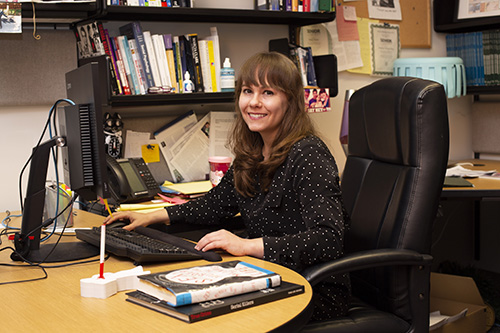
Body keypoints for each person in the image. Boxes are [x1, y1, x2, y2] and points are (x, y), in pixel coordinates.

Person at [104, 51, 350, 320]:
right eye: (247, 91)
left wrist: (247, 246)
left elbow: (328, 239)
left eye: (268, 92)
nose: (254, 102)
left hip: (312, 288)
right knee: (166, 303)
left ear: (290, 101)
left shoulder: (308, 153)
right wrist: (152, 216)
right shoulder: (252, 152)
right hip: (267, 276)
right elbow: (214, 205)